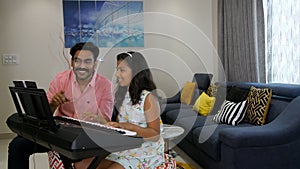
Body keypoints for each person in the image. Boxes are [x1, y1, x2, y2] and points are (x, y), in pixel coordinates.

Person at [8, 42, 114, 169]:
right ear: (71, 62)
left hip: (88, 135)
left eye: (87, 61)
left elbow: (106, 120)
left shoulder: (105, 85)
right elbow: (44, 115)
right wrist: (53, 104)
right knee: (18, 145)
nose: (82, 66)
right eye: (77, 61)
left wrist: (97, 119)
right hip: (60, 134)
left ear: (95, 63)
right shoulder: (61, 79)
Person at [74, 51, 165, 169]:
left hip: (145, 151)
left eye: (122, 70)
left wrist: (131, 127)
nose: (117, 74)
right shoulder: (123, 95)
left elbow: (154, 135)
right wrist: (102, 121)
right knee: (81, 165)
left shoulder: (148, 98)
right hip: (125, 147)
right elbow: (120, 126)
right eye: (117, 69)